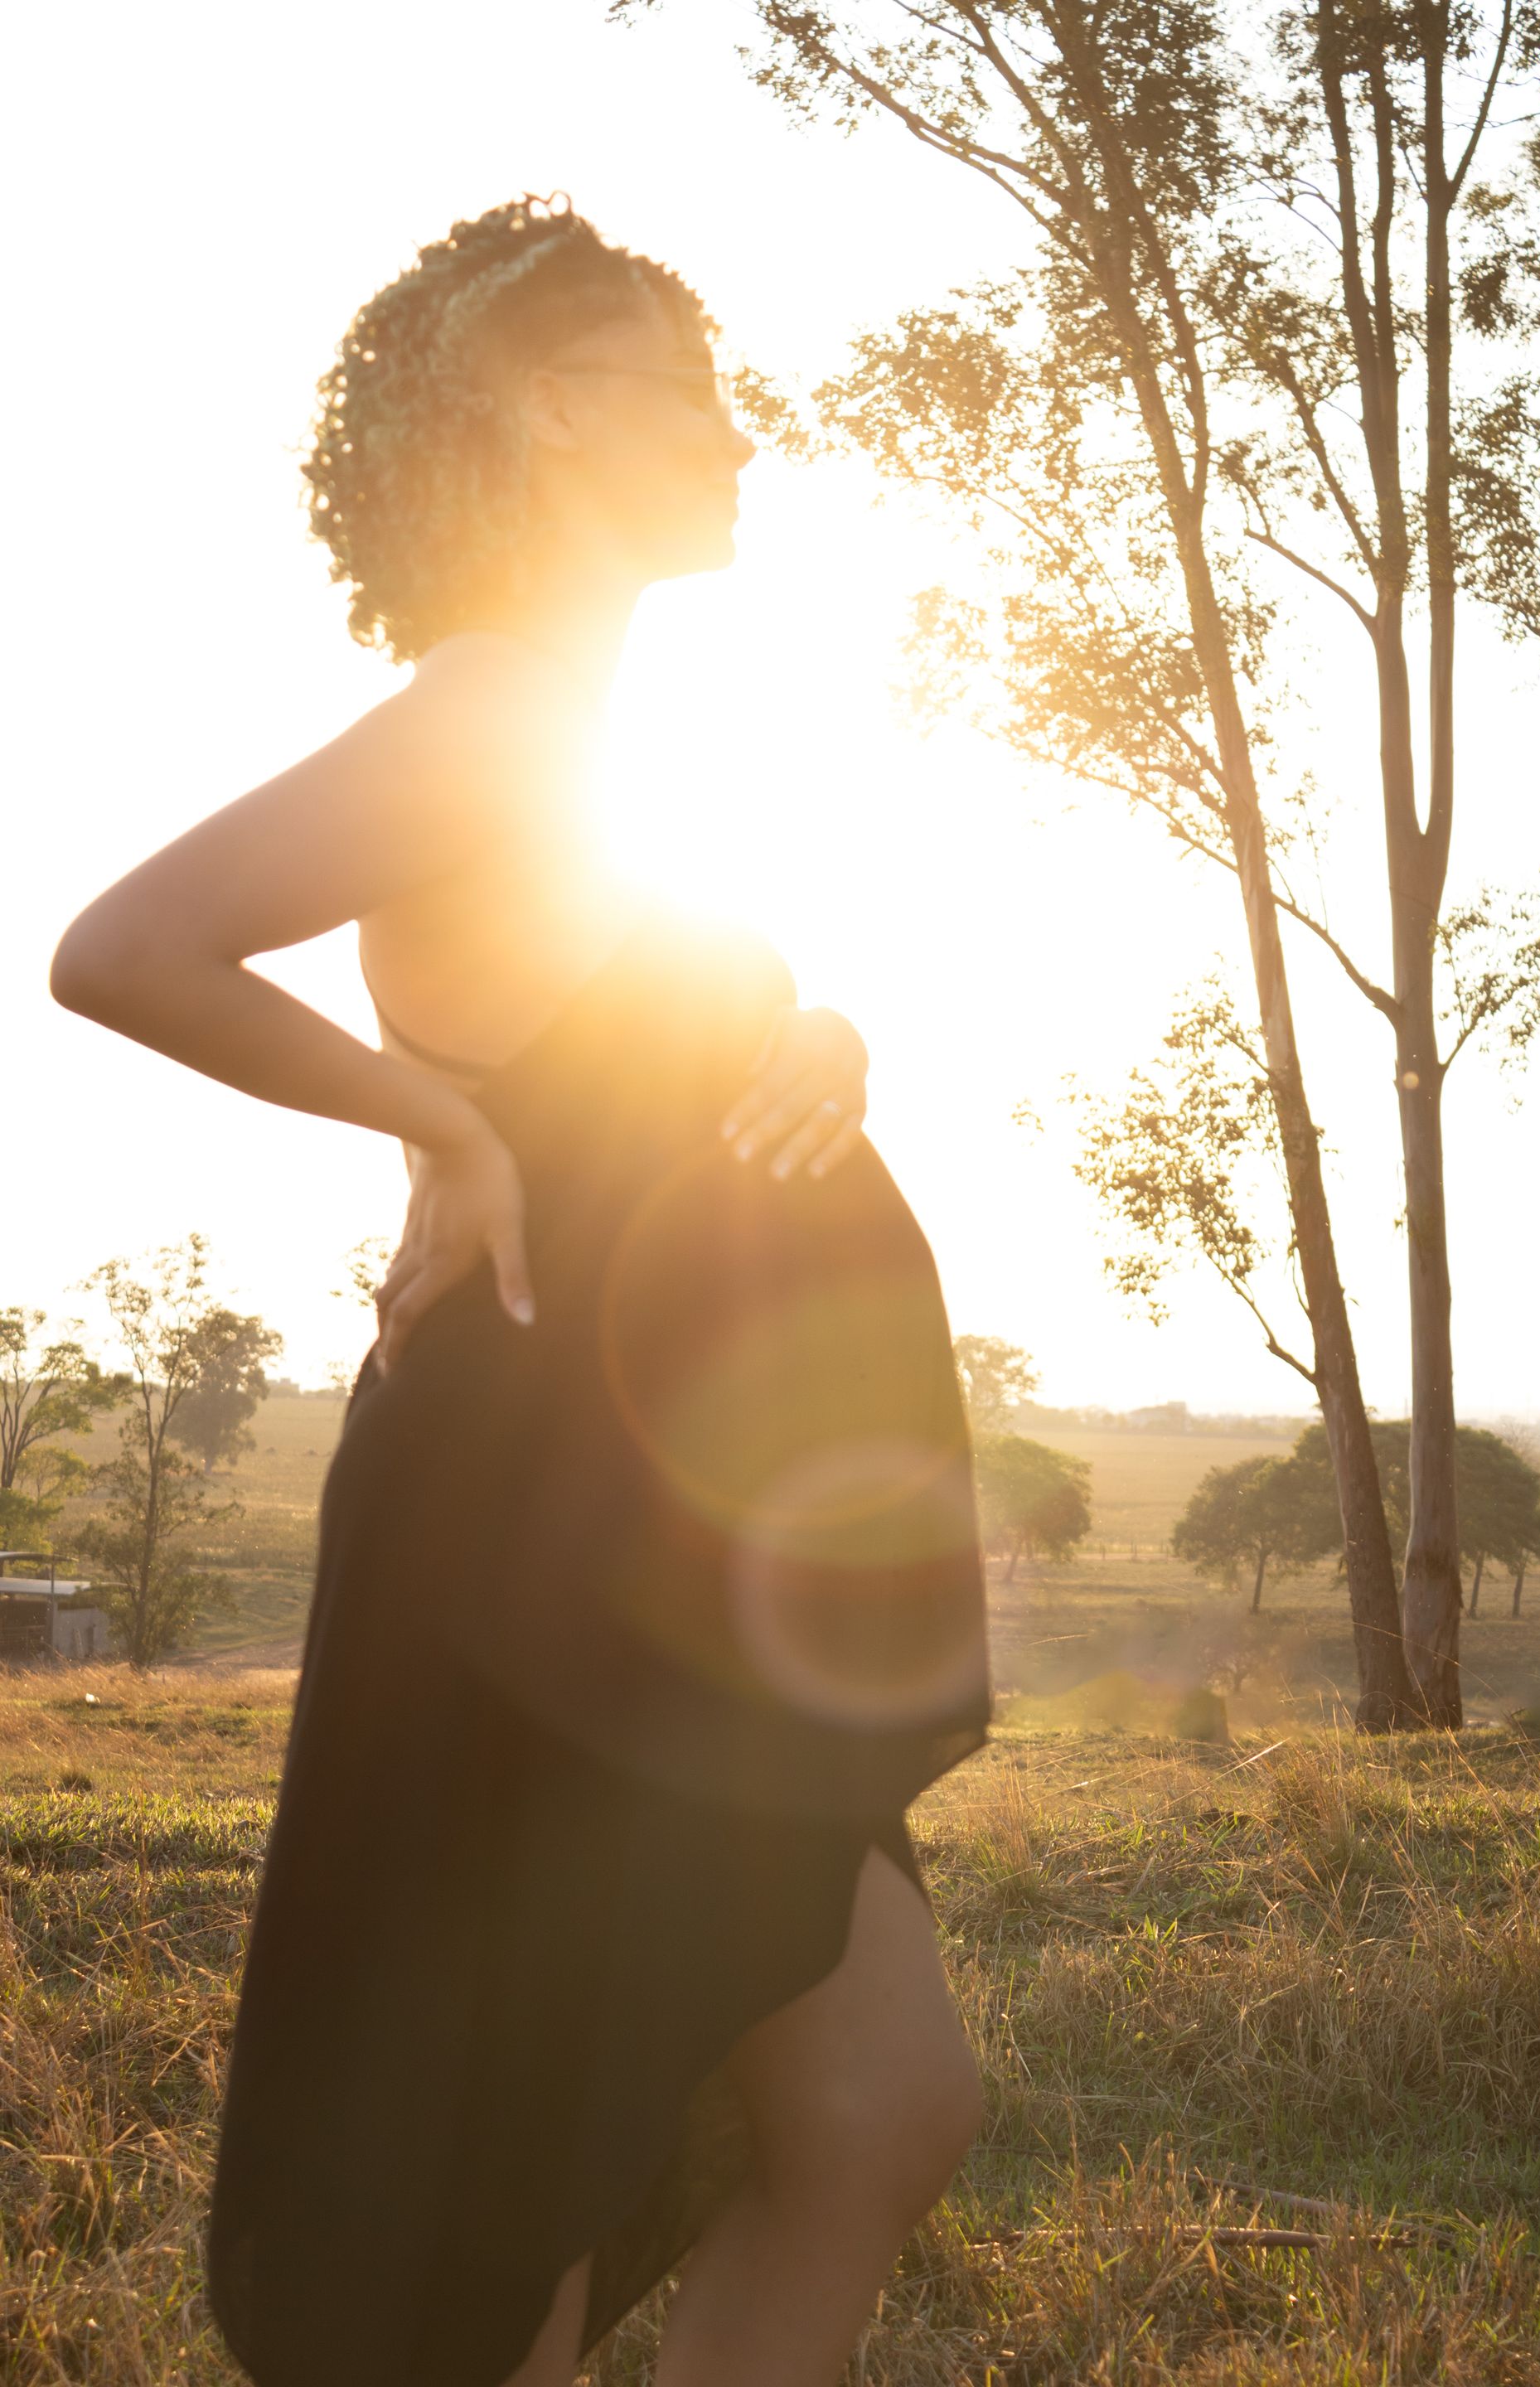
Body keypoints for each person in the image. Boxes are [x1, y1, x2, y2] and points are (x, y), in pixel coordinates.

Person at [51, 192, 991, 2387]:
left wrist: (814, 1038)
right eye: (694, 388)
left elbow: (610, 1031)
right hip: (544, 1536)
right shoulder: (490, 703)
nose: (741, 436)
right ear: (559, 413)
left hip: (668, 1536)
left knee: (875, 2105)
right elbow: (125, 944)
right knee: (528, 2187)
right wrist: (437, 1122)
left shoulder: (580, 734)